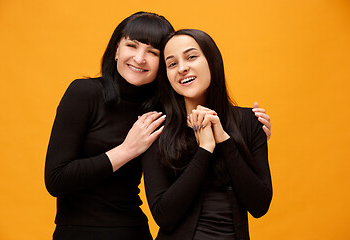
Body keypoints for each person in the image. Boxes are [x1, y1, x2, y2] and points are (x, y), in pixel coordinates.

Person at [45, 11, 271, 240]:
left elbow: (206, 128)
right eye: (132, 45)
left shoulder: (162, 112)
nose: (140, 58)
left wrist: (249, 131)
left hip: (133, 230)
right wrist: (127, 150)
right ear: (116, 49)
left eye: (152, 52)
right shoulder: (86, 94)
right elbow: (56, 179)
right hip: (78, 230)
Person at [142, 29, 272, 240]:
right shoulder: (158, 129)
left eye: (191, 57)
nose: (182, 68)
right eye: (172, 64)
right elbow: (163, 215)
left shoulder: (250, 121)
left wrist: (224, 140)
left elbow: (259, 205)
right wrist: (205, 149)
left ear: (212, 61)